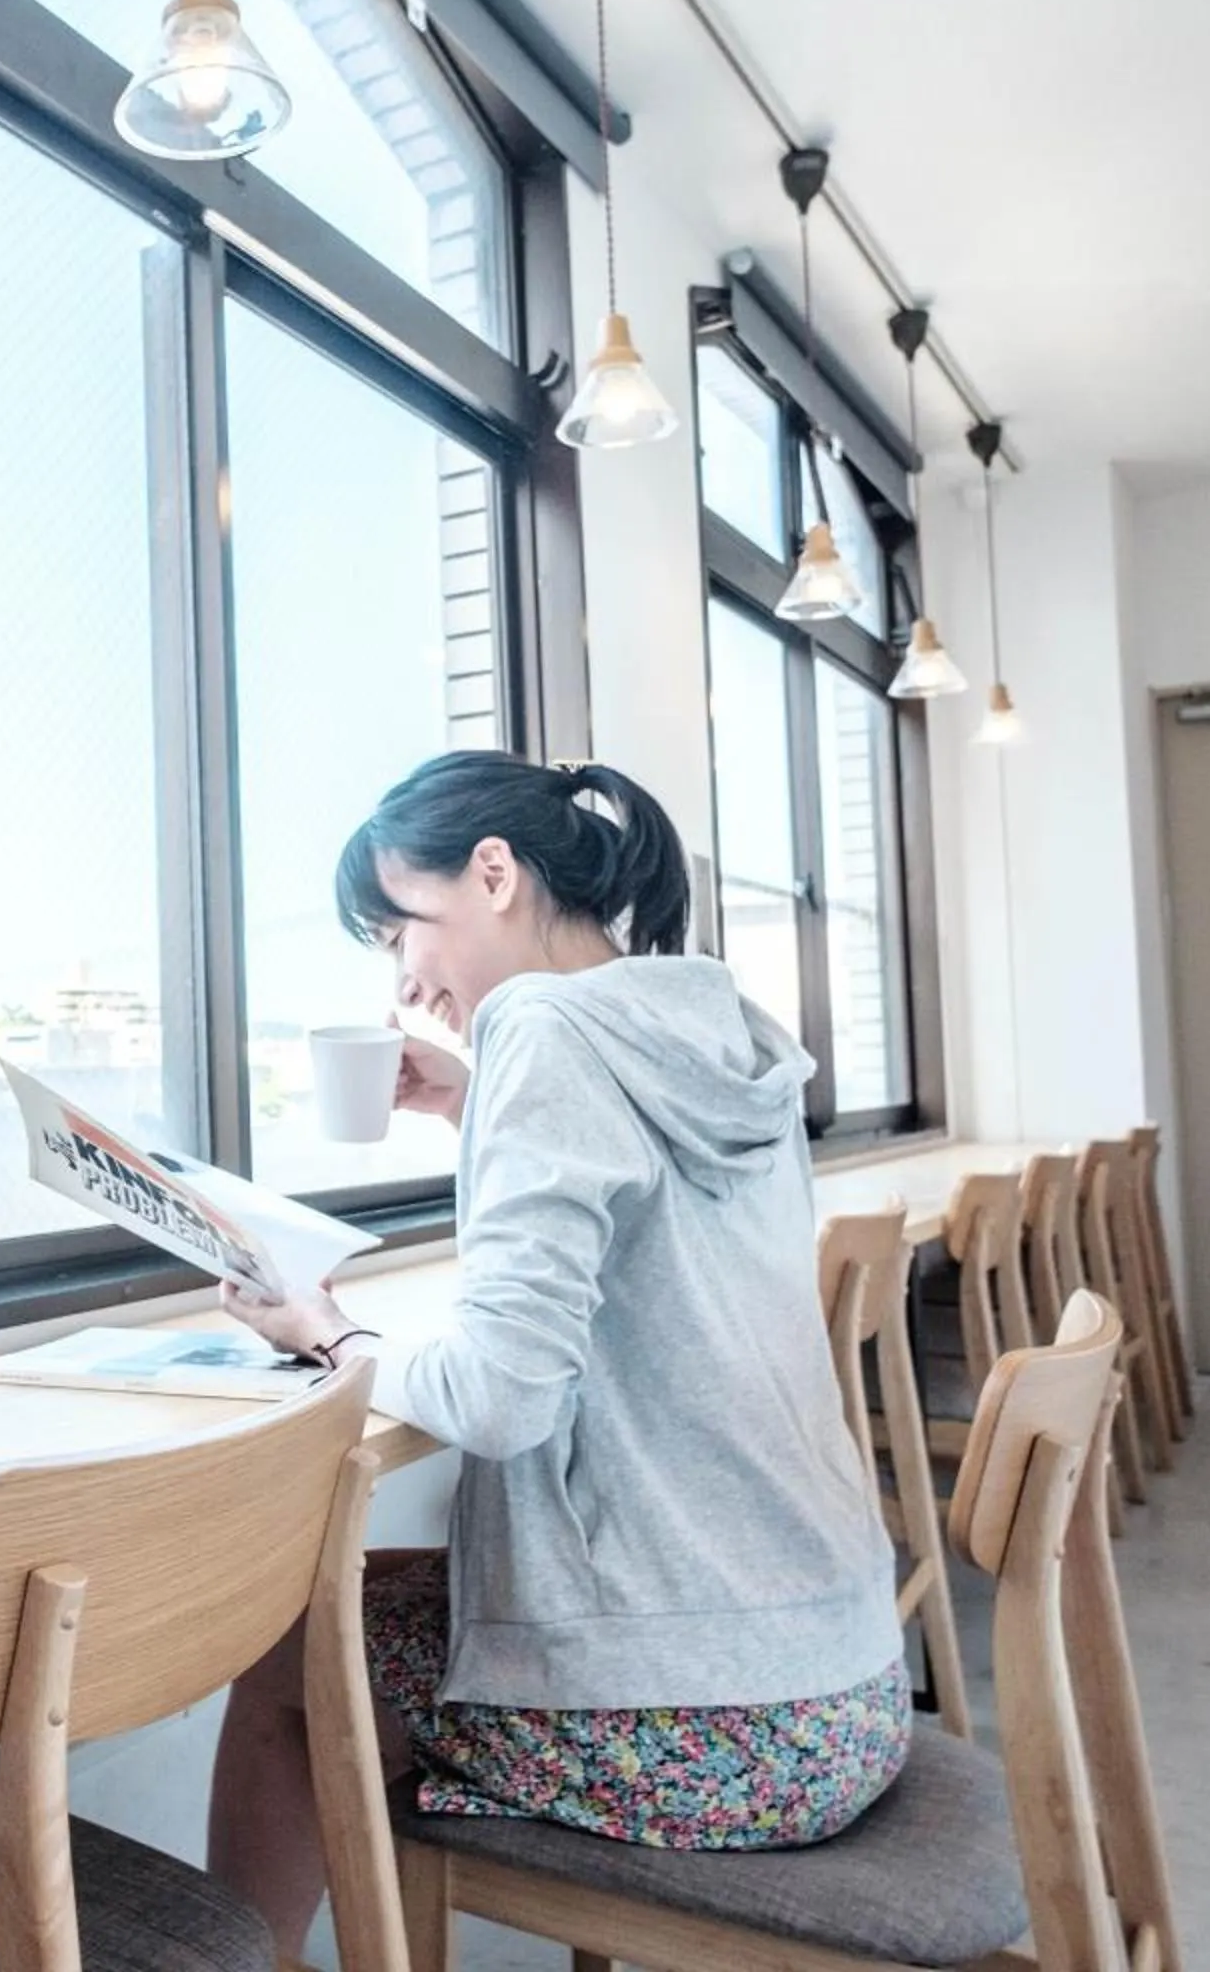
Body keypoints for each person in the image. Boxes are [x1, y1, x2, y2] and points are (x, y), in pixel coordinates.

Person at [206, 749, 906, 1954]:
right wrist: (482, 1100)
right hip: (842, 1681)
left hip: (723, 1728)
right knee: (348, 1617)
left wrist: (328, 1331)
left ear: (492, 874)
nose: (406, 978)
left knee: (291, 1655)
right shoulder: (716, 1022)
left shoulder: (539, 1024)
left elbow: (502, 1395)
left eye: (400, 929)